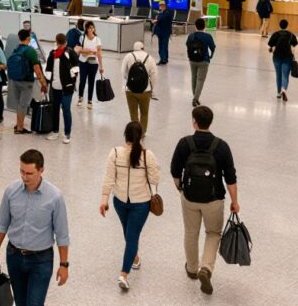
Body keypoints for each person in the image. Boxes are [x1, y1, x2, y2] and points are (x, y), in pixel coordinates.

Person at [170, 106, 239, 295]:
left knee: (191, 232)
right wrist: (235, 201)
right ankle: (206, 268)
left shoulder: (185, 143)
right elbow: (231, 178)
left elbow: (175, 172)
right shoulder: (221, 146)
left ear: (194, 122)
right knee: (213, 233)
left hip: (190, 197)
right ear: (211, 122)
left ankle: (192, 269)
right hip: (214, 199)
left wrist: (181, 189)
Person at [0, 149, 70, 306]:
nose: (24, 177)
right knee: (20, 302)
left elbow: (62, 234)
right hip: (14, 256)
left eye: (29, 173)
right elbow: (2, 223)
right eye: (22, 172)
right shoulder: (11, 191)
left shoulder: (55, 197)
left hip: (41, 260)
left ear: (41, 170)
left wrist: (64, 264)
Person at [100, 122, 160, 291]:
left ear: (124, 135)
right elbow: (155, 179)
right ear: (141, 137)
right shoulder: (148, 155)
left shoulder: (115, 153)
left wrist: (104, 200)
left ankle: (124, 274)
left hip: (119, 202)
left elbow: (108, 178)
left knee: (130, 235)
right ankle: (134, 258)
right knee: (130, 235)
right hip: (141, 203)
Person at [7, 29, 48, 135]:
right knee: (23, 105)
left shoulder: (16, 49)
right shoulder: (31, 51)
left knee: (19, 104)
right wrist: (43, 83)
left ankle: (18, 124)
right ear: (28, 38)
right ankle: (20, 128)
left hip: (15, 80)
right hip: (26, 82)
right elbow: (37, 70)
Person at [44, 33, 79, 144]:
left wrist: (71, 82)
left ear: (57, 41)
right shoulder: (53, 53)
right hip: (55, 87)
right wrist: (48, 82)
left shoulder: (69, 53)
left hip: (66, 88)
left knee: (66, 109)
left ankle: (66, 134)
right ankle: (56, 131)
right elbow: (49, 70)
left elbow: (75, 69)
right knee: (55, 110)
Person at [120, 41, 156, 132]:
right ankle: (142, 132)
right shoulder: (149, 57)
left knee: (133, 113)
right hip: (145, 90)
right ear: (143, 48)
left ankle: (135, 132)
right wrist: (152, 88)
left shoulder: (128, 56)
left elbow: (122, 72)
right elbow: (154, 75)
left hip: (130, 90)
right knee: (144, 113)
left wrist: (128, 81)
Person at [186, 18, 217, 106]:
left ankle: (195, 97)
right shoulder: (207, 36)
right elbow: (213, 47)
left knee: (194, 78)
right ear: (204, 26)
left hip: (192, 60)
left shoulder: (191, 36)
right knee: (200, 80)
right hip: (204, 60)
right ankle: (195, 99)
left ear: (195, 26)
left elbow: (187, 45)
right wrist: (210, 56)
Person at [267, 19, 298, 101]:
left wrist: (271, 50)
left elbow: (270, 46)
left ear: (279, 25)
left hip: (276, 57)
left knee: (278, 75)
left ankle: (278, 93)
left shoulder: (276, 34)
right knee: (285, 75)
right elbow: (294, 47)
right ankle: (284, 89)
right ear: (287, 25)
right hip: (287, 57)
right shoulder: (291, 35)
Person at [74, 21, 103, 109]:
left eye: (92, 27)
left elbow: (99, 53)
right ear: (86, 29)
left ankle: (90, 100)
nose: (91, 29)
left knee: (91, 81)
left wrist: (101, 66)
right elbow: (77, 49)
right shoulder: (82, 37)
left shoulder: (97, 39)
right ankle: (80, 97)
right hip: (83, 62)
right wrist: (88, 51)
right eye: (89, 28)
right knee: (82, 80)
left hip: (94, 63)